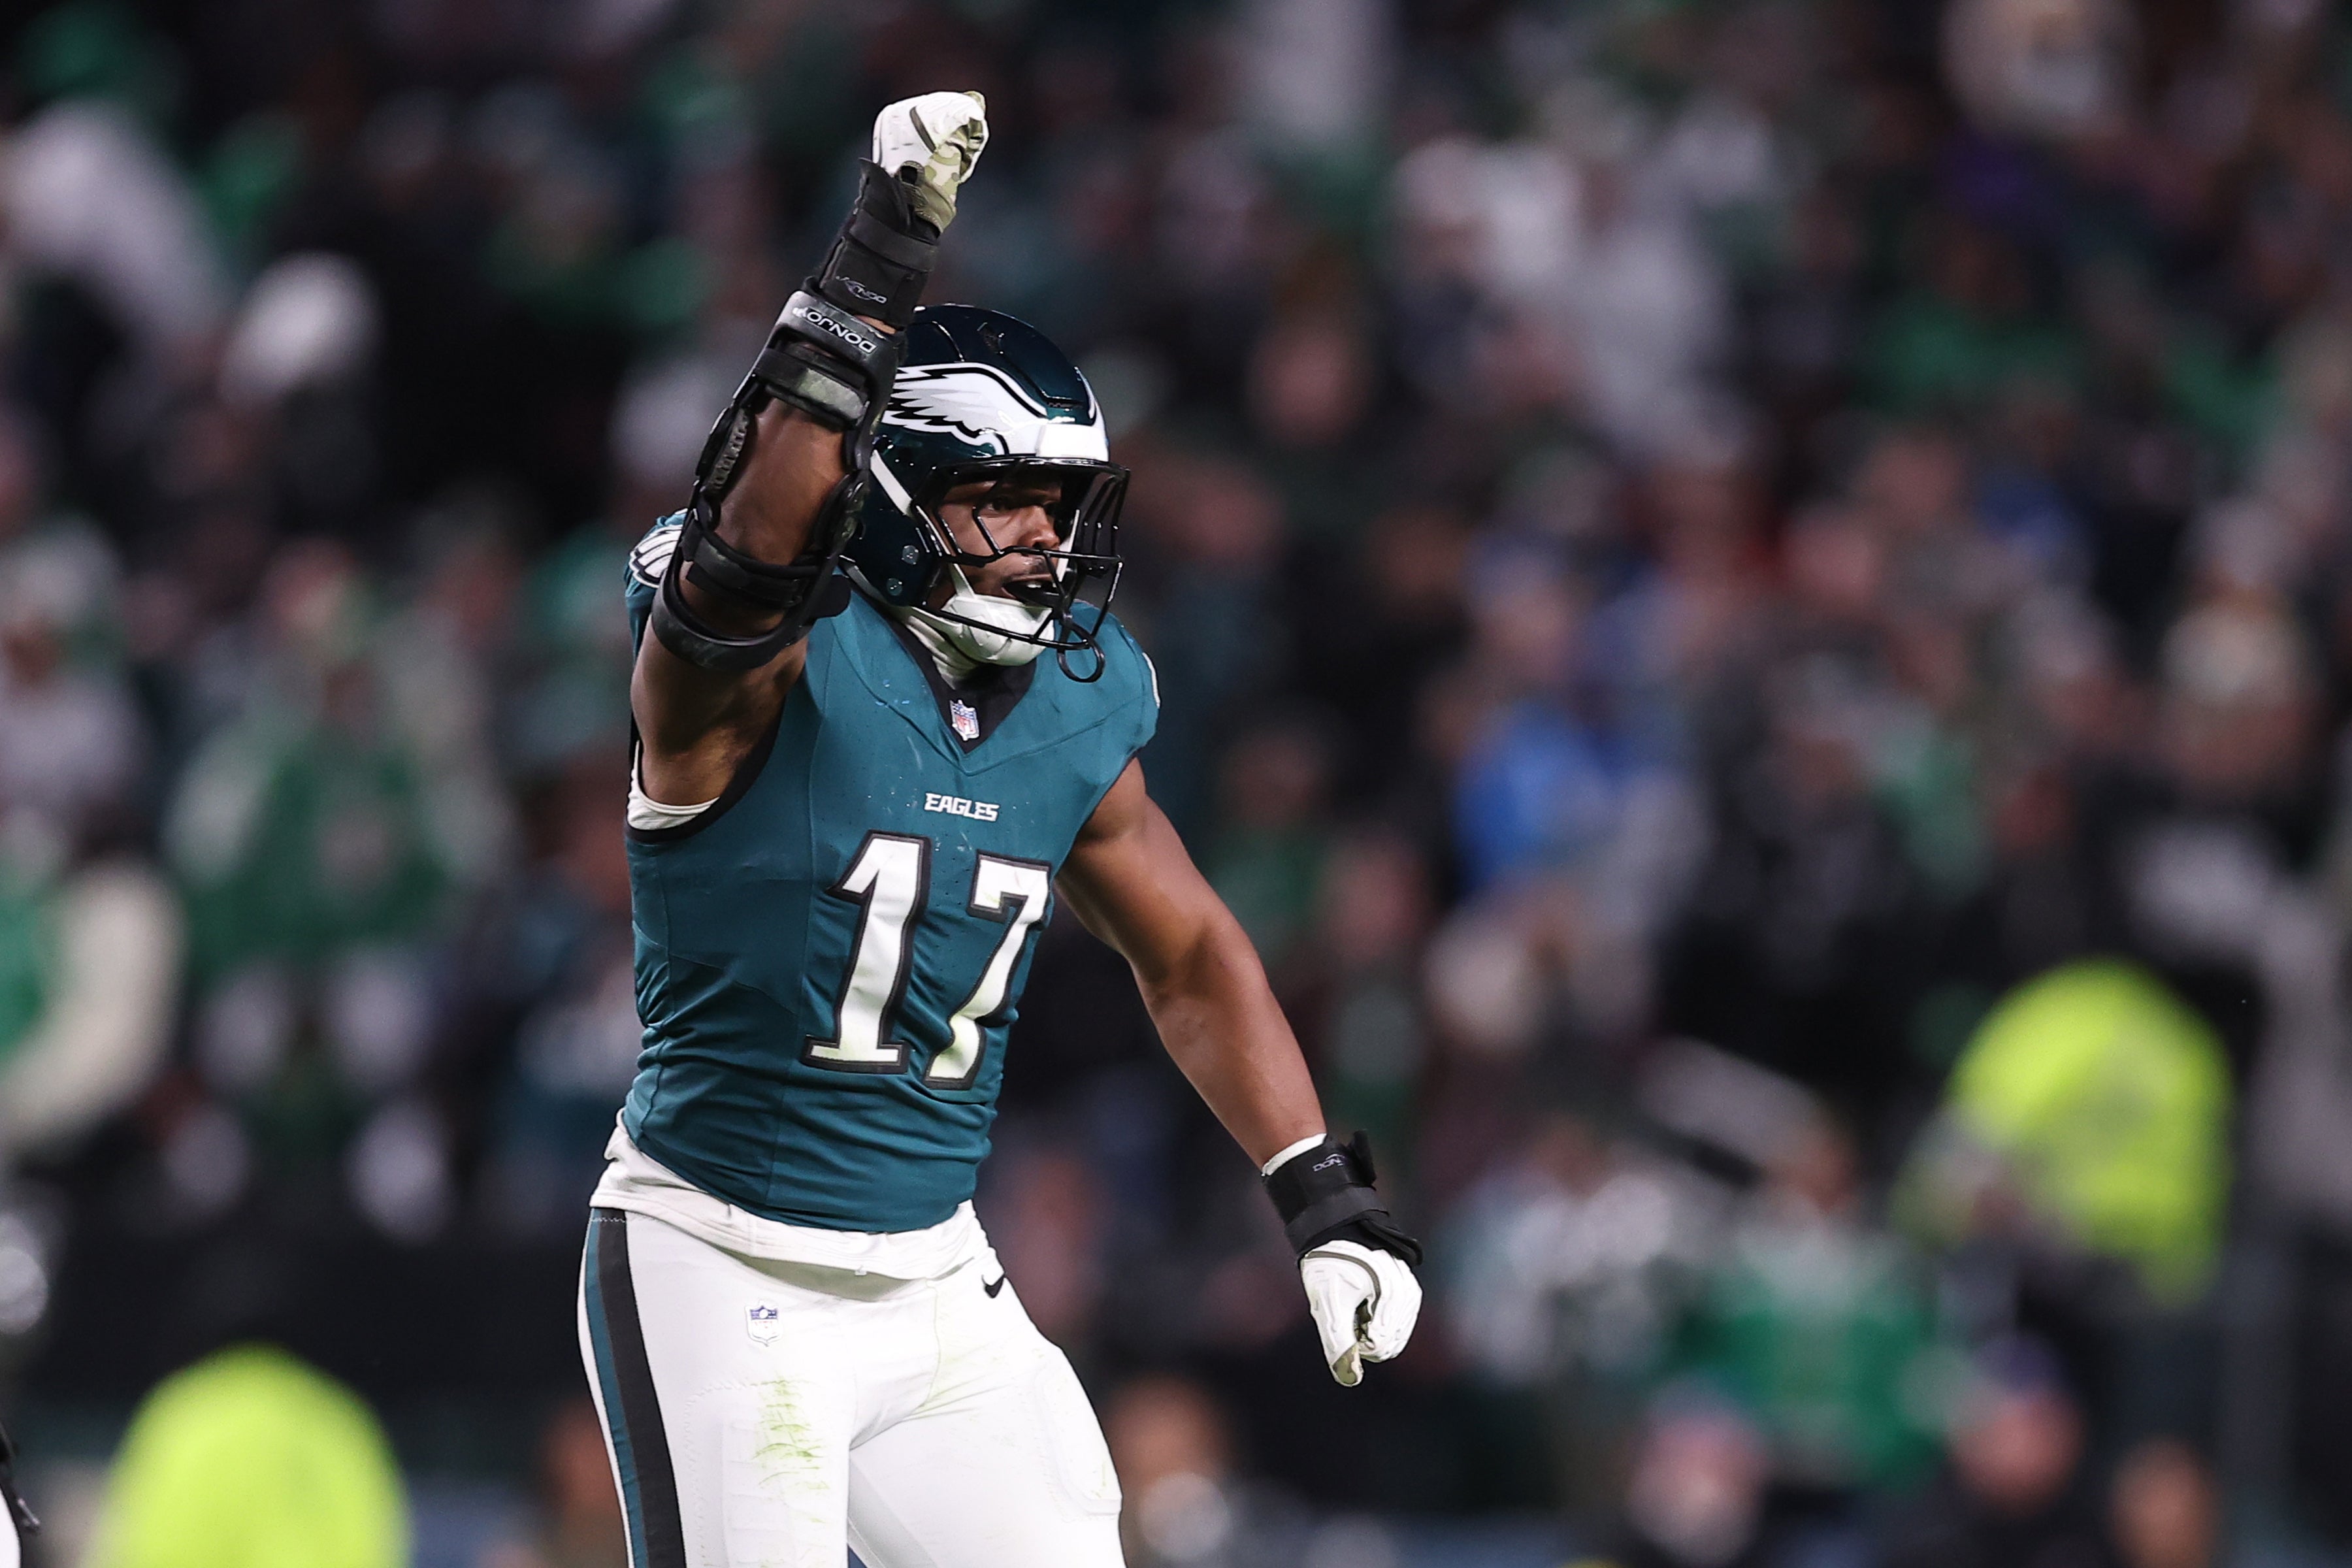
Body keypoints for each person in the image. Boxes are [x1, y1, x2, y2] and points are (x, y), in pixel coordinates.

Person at [576, 93, 1424, 1567]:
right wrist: (881, 249)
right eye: (1003, 500)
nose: (1047, 538)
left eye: (1059, 503)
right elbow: (746, 552)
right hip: (725, 1266)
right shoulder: (760, 676)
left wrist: (1322, 1193)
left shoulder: (1068, 710)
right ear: (892, 503)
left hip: (932, 1282)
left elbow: (1190, 952)